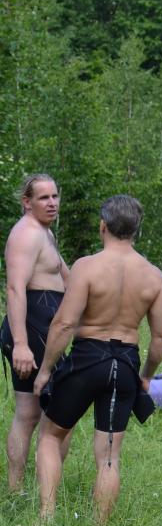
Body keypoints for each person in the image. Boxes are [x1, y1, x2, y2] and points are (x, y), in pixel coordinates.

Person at [31, 195, 162, 523]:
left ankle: (46, 516)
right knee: (109, 455)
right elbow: (161, 336)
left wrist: (46, 369)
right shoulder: (153, 276)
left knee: (50, 435)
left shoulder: (87, 266)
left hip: (88, 358)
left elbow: (64, 323)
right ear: (136, 230)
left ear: (102, 226)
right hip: (125, 363)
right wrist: (146, 375)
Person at [2, 174, 70, 492]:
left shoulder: (44, 232)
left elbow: (66, 275)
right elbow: (15, 289)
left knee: (29, 413)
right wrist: (21, 344)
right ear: (27, 203)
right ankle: (41, 492)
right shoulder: (26, 235)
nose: (52, 202)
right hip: (32, 331)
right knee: (59, 414)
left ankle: (18, 490)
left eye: (55, 196)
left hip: (42, 329)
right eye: (44, 198)